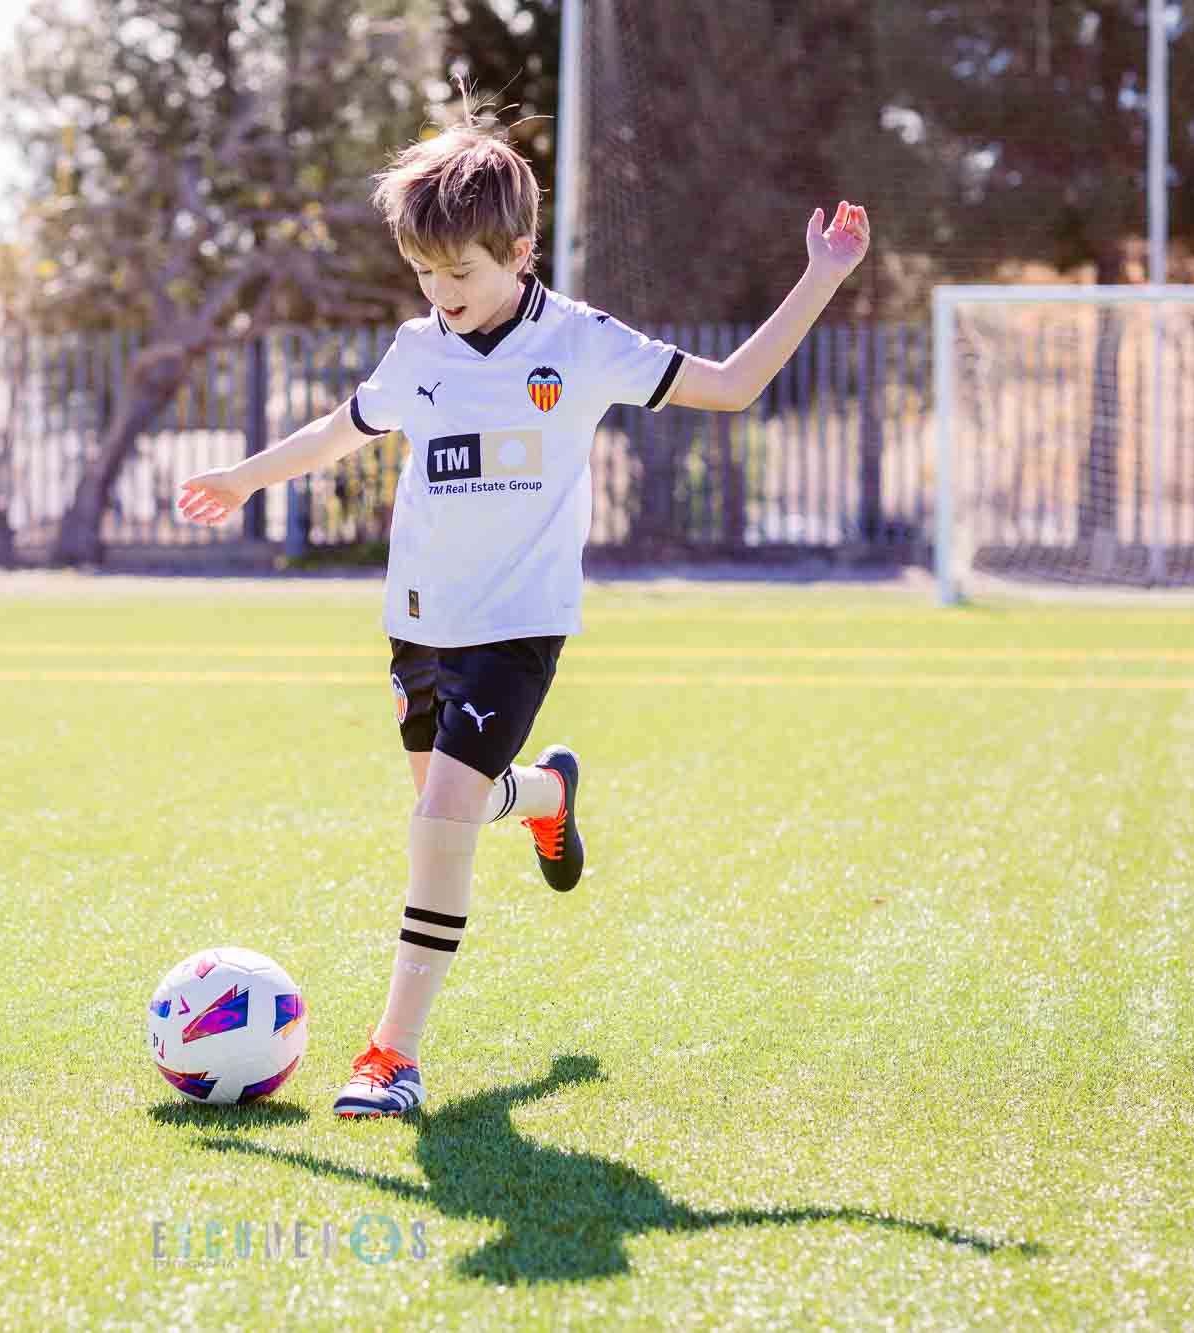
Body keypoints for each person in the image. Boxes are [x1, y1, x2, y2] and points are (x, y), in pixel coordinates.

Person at [176, 113, 870, 1118]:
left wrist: (822, 276)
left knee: (437, 823)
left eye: (457, 275)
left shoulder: (580, 344)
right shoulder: (418, 350)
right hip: (417, 624)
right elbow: (344, 428)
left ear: (518, 250)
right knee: (446, 811)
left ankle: (390, 1056)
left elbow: (732, 384)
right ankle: (543, 795)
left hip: (515, 630)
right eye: (422, 276)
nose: (440, 296)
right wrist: (242, 479)